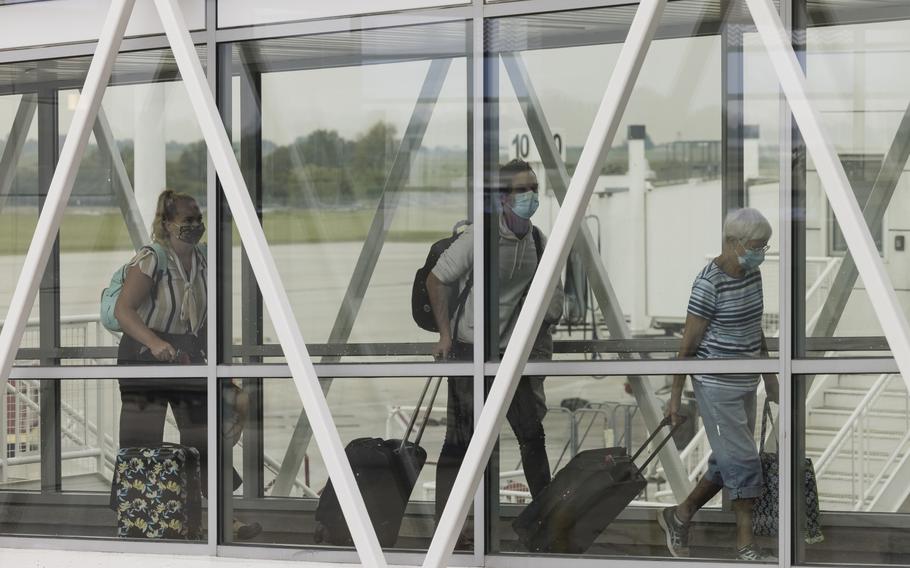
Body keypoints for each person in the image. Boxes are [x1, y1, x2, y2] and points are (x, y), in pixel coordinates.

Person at [427, 159, 563, 545]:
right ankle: (449, 526)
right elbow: (437, 278)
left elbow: (551, 299)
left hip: (512, 355)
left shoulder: (537, 240)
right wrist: (444, 335)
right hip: (471, 350)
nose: (531, 196)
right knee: (461, 442)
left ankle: (545, 523)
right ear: (503, 198)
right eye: (523, 189)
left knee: (531, 437)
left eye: (534, 188)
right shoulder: (480, 237)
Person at [114, 189, 260, 541]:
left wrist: (220, 365)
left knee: (204, 436)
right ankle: (139, 518)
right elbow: (124, 310)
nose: (195, 226)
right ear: (167, 224)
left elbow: (204, 319)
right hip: (144, 354)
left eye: (198, 219)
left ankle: (226, 518)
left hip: (185, 353)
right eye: (187, 220)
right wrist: (155, 342)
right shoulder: (152, 259)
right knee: (142, 441)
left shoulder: (203, 260)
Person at [659, 207, 780, 561]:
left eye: (765, 246)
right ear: (732, 242)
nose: (761, 252)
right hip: (715, 386)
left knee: (726, 461)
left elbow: (753, 328)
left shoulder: (751, 274)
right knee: (743, 462)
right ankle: (746, 544)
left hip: (746, 382)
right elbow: (687, 346)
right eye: (756, 245)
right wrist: (675, 399)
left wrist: (770, 375)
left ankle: (678, 516)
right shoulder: (708, 283)